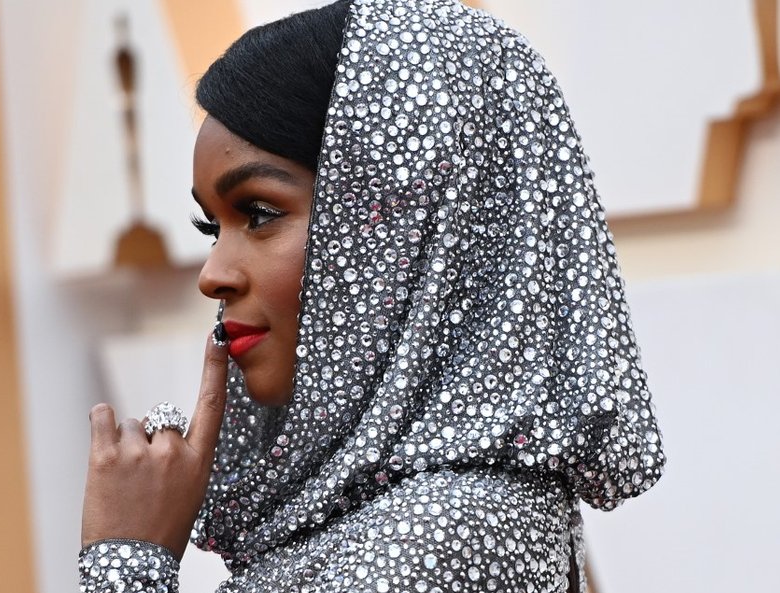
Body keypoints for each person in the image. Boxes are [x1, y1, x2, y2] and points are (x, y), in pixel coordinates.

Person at [79, 1, 666, 591]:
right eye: (213, 227)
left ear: (407, 231)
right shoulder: (379, 512)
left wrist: (127, 559)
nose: (213, 275)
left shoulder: (445, 538)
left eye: (258, 214)